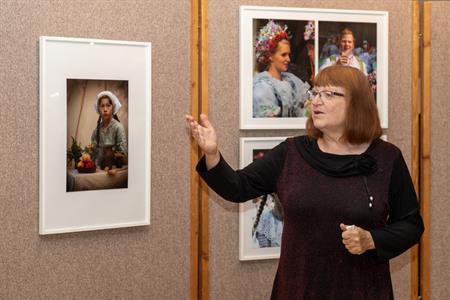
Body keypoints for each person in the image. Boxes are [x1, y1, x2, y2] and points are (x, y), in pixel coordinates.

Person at [186, 65, 424, 299]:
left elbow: (411, 225)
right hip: (298, 289)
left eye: (329, 94)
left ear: (357, 103)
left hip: (362, 289)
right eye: (315, 93)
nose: (316, 101)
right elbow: (236, 187)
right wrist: (212, 154)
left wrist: (372, 240)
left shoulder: (387, 157)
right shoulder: (291, 153)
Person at [253, 20, 310, 118]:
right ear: (270, 56)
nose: (288, 59)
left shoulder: (292, 80)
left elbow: (306, 107)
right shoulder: (263, 86)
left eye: (289, 54)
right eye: (283, 55)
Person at [91, 90, 127, 170]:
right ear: (98, 109)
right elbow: (93, 153)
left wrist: (112, 154)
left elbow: (123, 153)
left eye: (108, 105)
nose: (105, 109)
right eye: (102, 106)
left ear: (113, 107)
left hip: (115, 169)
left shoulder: (118, 127)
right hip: (100, 168)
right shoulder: (96, 130)